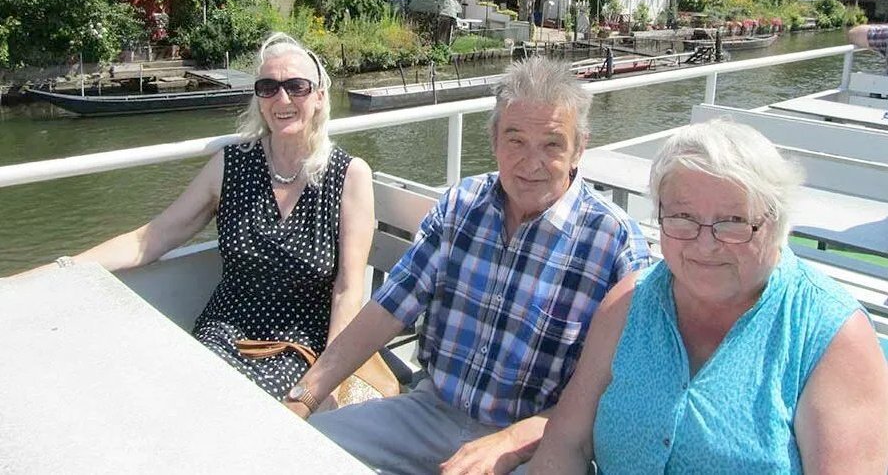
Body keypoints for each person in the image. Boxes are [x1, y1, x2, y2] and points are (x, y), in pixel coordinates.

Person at [290, 56, 652, 474]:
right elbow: (388, 309)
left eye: (552, 144)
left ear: (579, 148)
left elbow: (612, 392)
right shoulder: (463, 205)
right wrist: (305, 396)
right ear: (494, 140)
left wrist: (515, 440)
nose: (531, 163)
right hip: (429, 411)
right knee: (301, 449)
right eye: (515, 140)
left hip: (536, 440)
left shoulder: (613, 242)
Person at [24, 32, 374, 402]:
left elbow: (348, 290)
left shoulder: (349, 175)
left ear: (319, 97)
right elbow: (153, 238)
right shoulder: (232, 165)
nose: (282, 98)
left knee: (232, 413)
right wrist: (66, 267)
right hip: (221, 336)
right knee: (157, 396)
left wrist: (322, 386)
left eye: (296, 87)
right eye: (268, 87)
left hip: (298, 348)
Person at [529, 119, 888, 474]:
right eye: (683, 216)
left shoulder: (830, 335)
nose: (705, 245)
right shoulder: (629, 303)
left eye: (732, 220)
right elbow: (566, 442)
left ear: (776, 223)